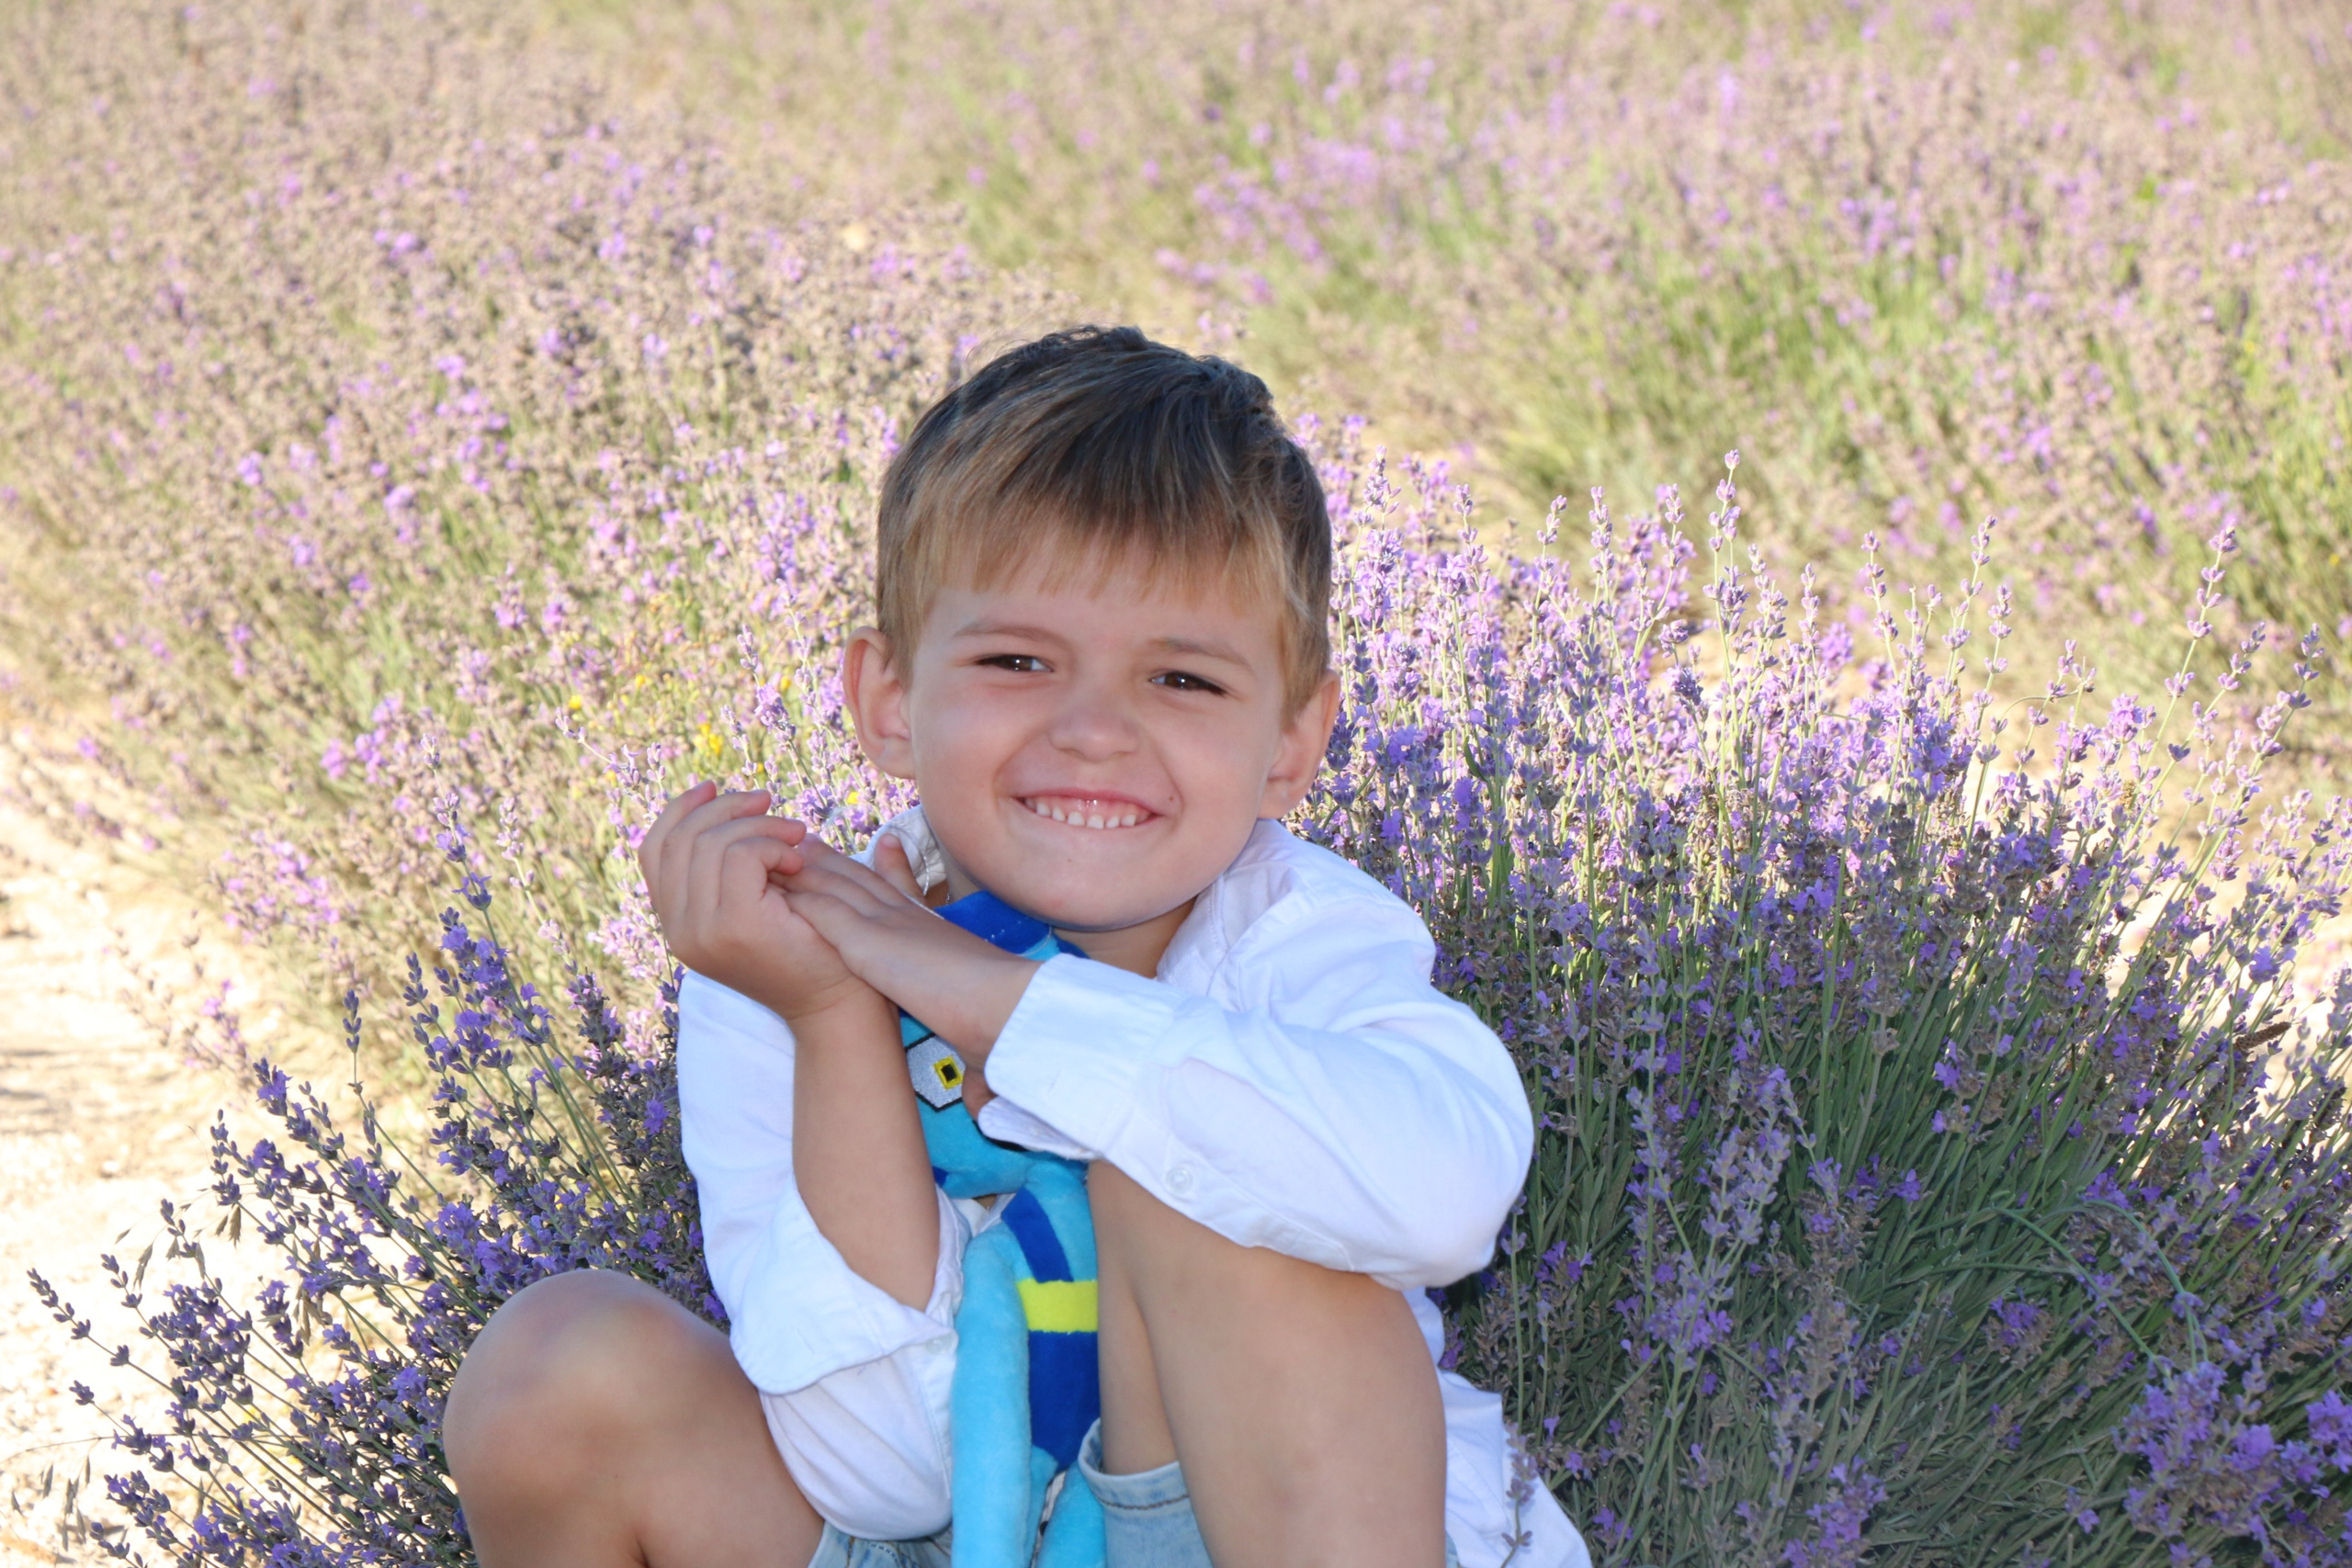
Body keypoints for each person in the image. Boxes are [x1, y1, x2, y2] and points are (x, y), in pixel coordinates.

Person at [441, 326, 1590, 1568]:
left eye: (1184, 681)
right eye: (1017, 660)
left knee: (1212, 1172)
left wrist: (1001, 1004)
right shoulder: (787, 960)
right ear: (889, 699)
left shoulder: (1297, 933)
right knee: (556, 1365)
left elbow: (1453, 1194)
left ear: (1292, 741)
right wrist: (839, 1028)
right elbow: (882, 1473)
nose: (1094, 730)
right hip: (949, 1533)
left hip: (1240, 1531)